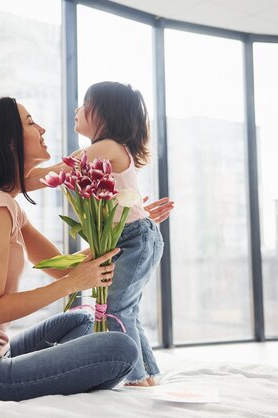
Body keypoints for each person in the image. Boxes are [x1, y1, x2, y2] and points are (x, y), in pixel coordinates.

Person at [0, 97, 139, 401]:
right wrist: (73, 284)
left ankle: (37, 373)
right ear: (10, 142)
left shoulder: (0, 202)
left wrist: (128, 223)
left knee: (81, 320)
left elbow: (60, 266)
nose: (42, 128)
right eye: (31, 122)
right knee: (121, 349)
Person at [29, 81, 171, 387]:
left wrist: (5, 177)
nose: (76, 110)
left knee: (117, 308)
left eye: (83, 104)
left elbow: (52, 173)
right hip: (135, 236)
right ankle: (146, 376)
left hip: (133, 238)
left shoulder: (105, 147)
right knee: (126, 309)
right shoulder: (112, 149)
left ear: (103, 114)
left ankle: (132, 377)